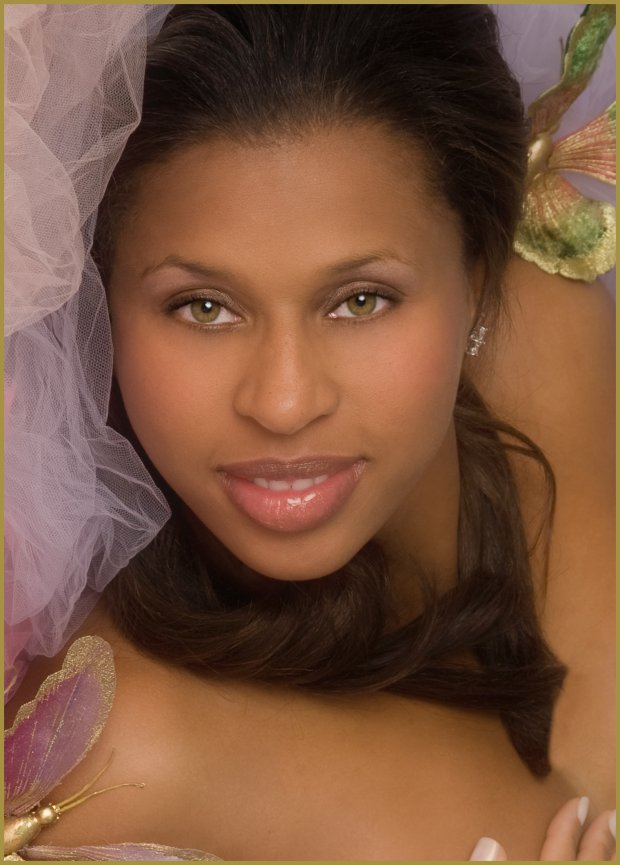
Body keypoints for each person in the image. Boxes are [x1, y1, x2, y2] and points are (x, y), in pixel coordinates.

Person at [4, 4, 615, 860]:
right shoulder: (112, 755)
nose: (284, 403)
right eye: (204, 307)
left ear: (478, 285)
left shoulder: (541, 325)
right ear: (95, 307)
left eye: (360, 299)